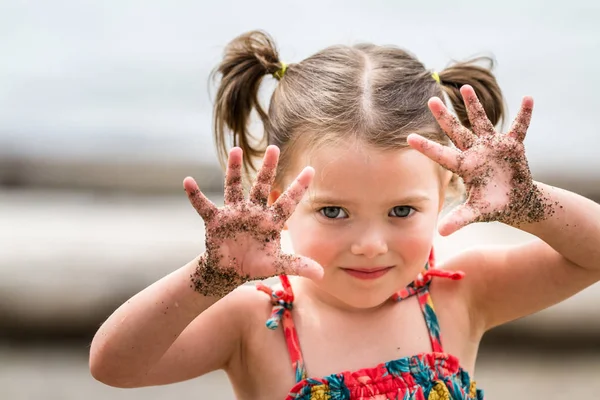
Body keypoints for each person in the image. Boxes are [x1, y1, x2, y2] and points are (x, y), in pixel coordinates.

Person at [89, 30, 600, 399]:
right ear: (276, 198)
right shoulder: (254, 320)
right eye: (334, 211)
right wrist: (209, 277)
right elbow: (115, 365)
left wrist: (529, 204)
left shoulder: (462, 290)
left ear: (449, 188)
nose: (370, 244)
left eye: (402, 210)